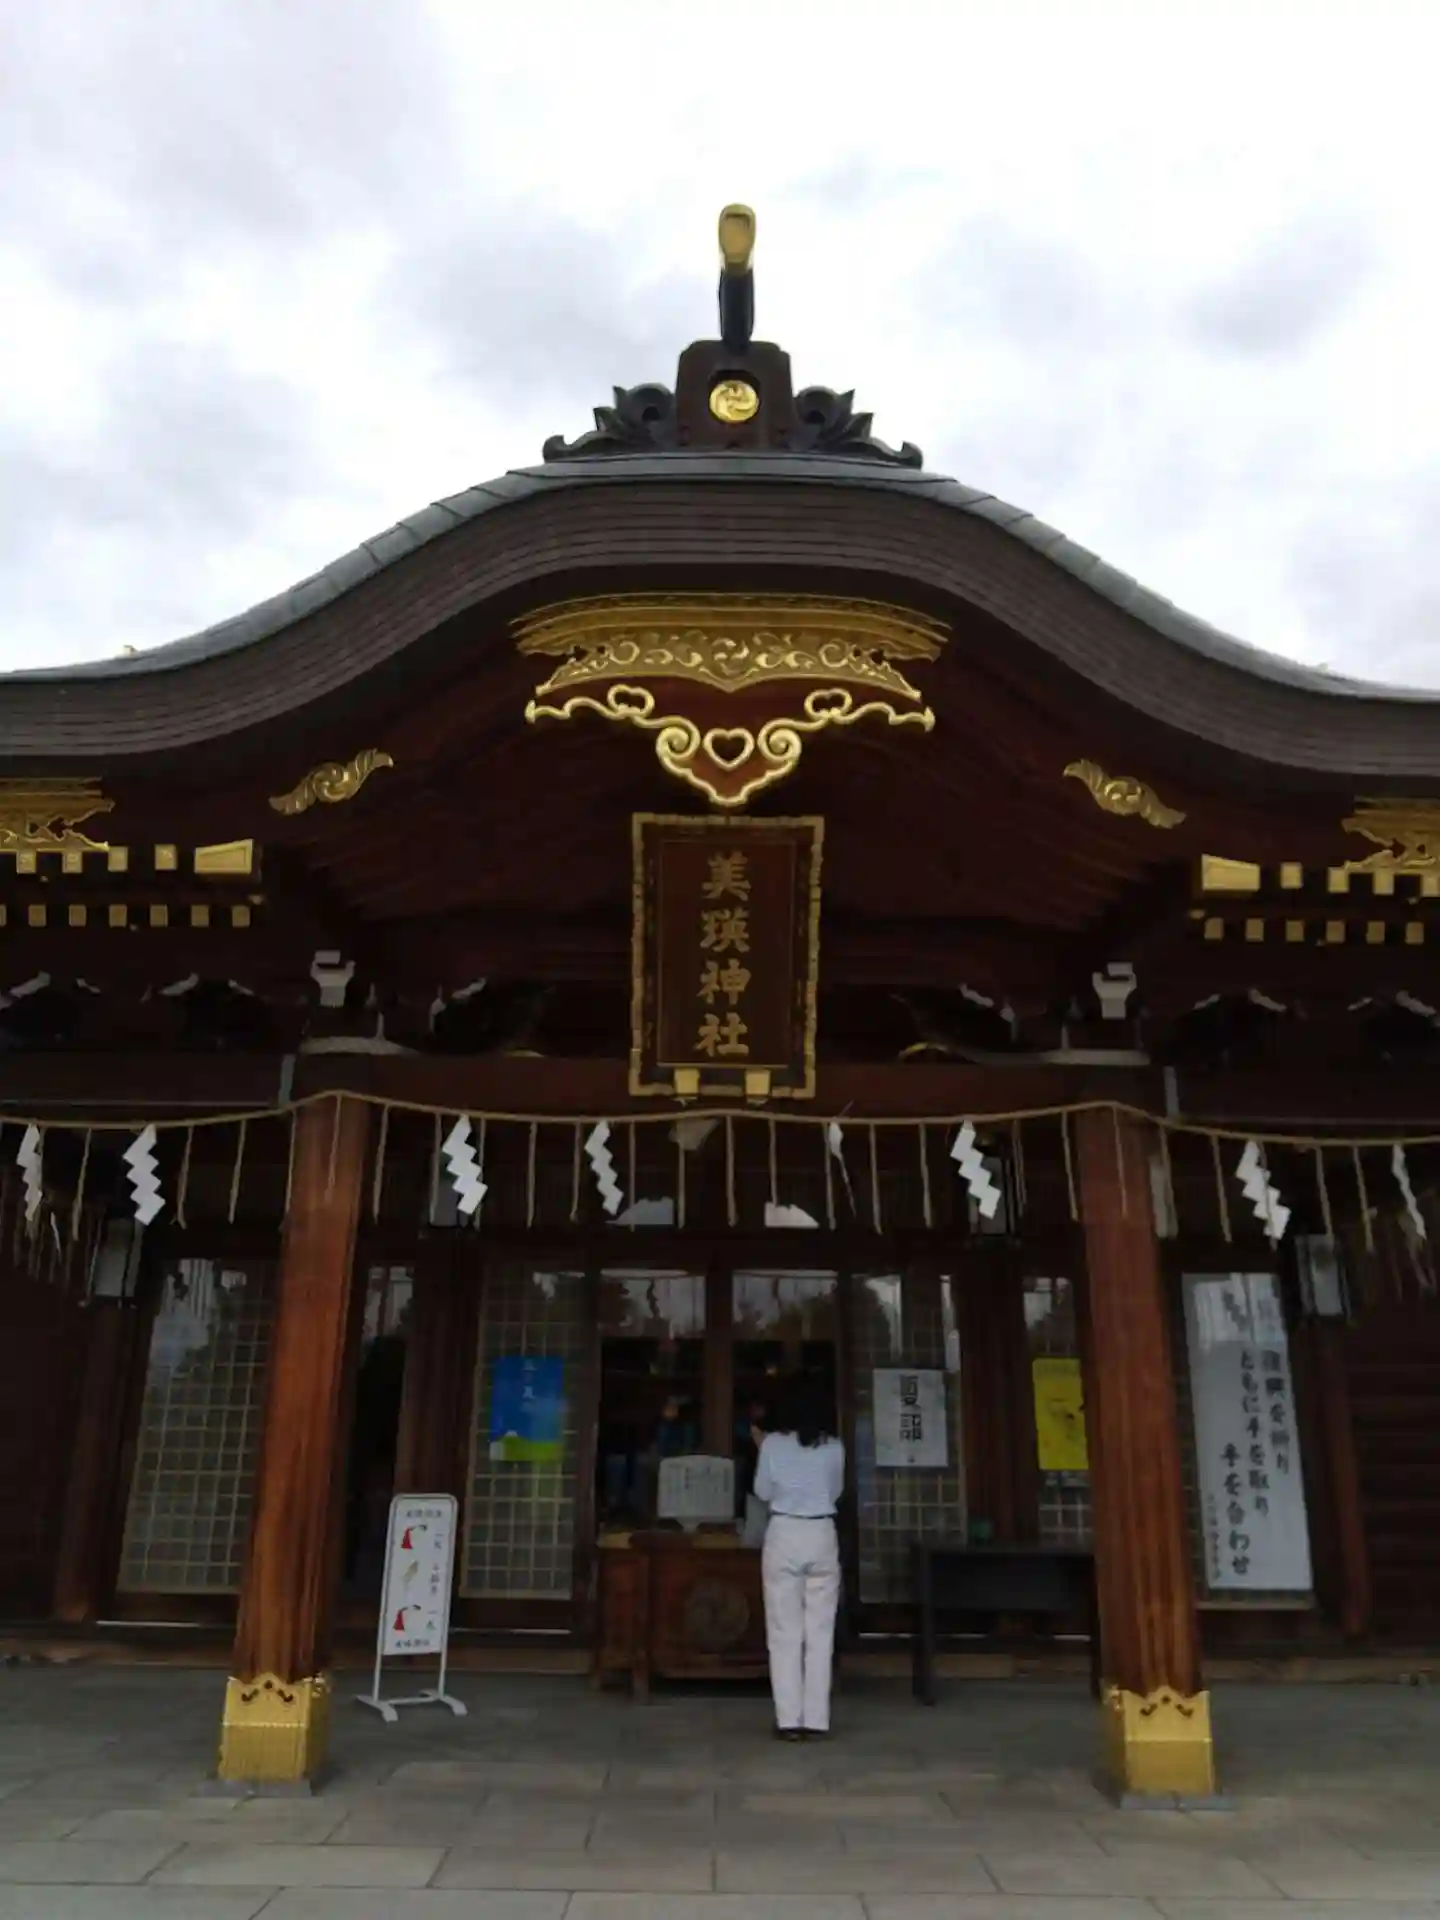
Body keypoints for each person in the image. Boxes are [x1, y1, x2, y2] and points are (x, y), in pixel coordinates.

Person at [754, 1375, 845, 1741]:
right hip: (821, 1532)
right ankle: (817, 1719)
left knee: (784, 1631)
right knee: (820, 1632)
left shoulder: (773, 1444)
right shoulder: (835, 1448)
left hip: (784, 1532)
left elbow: (762, 1491)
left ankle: (789, 1719)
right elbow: (835, 1492)